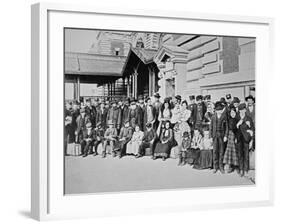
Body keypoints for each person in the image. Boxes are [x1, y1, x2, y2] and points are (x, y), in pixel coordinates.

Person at [209, 101, 229, 173]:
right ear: (215, 110)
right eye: (217, 110)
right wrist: (210, 137)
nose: (219, 112)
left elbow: (227, 127)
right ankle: (215, 167)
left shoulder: (224, 117)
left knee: (221, 151)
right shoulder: (213, 117)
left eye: (220, 110)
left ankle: (221, 166)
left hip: (222, 136)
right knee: (215, 151)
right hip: (214, 136)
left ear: (222, 110)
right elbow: (210, 127)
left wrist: (226, 136)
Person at [236, 103, 254, 177]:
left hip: (246, 139)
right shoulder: (237, 118)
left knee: (246, 155)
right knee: (240, 155)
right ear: (239, 111)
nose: (242, 111)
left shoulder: (249, 118)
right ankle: (241, 169)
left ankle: (246, 170)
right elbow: (234, 129)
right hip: (239, 139)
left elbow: (252, 129)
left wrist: (251, 140)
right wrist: (237, 125)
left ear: (245, 110)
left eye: (243, 110)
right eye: (241, 110)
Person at [223, 105, 239, 173]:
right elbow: (227, 129)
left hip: (236, 136)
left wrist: (237, 137)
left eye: (234, 113)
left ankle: (235, 165)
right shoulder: (228, 120)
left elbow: (239, 130)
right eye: (231, 113)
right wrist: (226, 136)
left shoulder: (238, 119)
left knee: (235, 150)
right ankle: (227, 165)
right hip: (230, 135)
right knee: (229, 149)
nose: (233, 114)